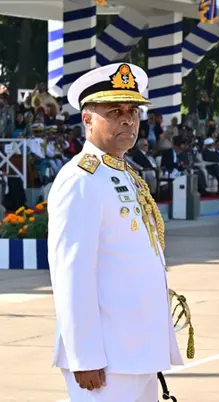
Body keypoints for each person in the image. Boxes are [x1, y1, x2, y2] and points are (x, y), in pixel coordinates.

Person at [47, 62, 184, 401]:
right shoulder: (80, 179)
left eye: (133, 111)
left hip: (138, 348)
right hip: (105, 356)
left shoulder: (123, 172)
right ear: (87, 120)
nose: (128, 119)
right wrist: (84, 355)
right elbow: (72, 274)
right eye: (115, 111)